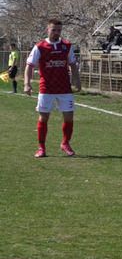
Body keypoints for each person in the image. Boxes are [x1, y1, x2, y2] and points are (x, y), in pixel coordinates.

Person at [24, 18, 80, 158]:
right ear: (47, 29)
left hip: (64, 89)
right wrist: (27, 83)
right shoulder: (40, 46)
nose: (56, 33)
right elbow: (29, 65)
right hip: (46, 89)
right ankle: (41, 148)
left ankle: (65, 143)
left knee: (69, 117)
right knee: (44, 118)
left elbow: (73, 64)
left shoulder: (67, 46)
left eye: (59, 30)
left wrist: (76, 81)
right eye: (53, 30)